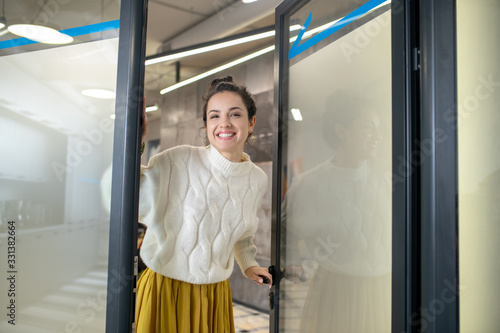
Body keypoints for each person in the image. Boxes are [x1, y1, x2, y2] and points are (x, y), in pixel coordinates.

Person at [135, 76, 272, 333]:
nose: (224, 124)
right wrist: (136, 141)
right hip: (166, 289)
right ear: (206, 124)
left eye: (235, 114)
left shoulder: (257, 179)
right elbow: (132, 193)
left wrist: (248, 263)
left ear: (251, 123)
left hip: (214, 295)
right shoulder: (179, 160)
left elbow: (243, 233)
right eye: (214, 116)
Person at [282, 90, 391, 332]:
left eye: (379, 128)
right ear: (342, 132)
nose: (378, 136)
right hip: (338, 291)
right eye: (368, 127)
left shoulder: (388, 176)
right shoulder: (310, 184)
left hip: (386, 288)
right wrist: (293, 263)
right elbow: (286, 232)